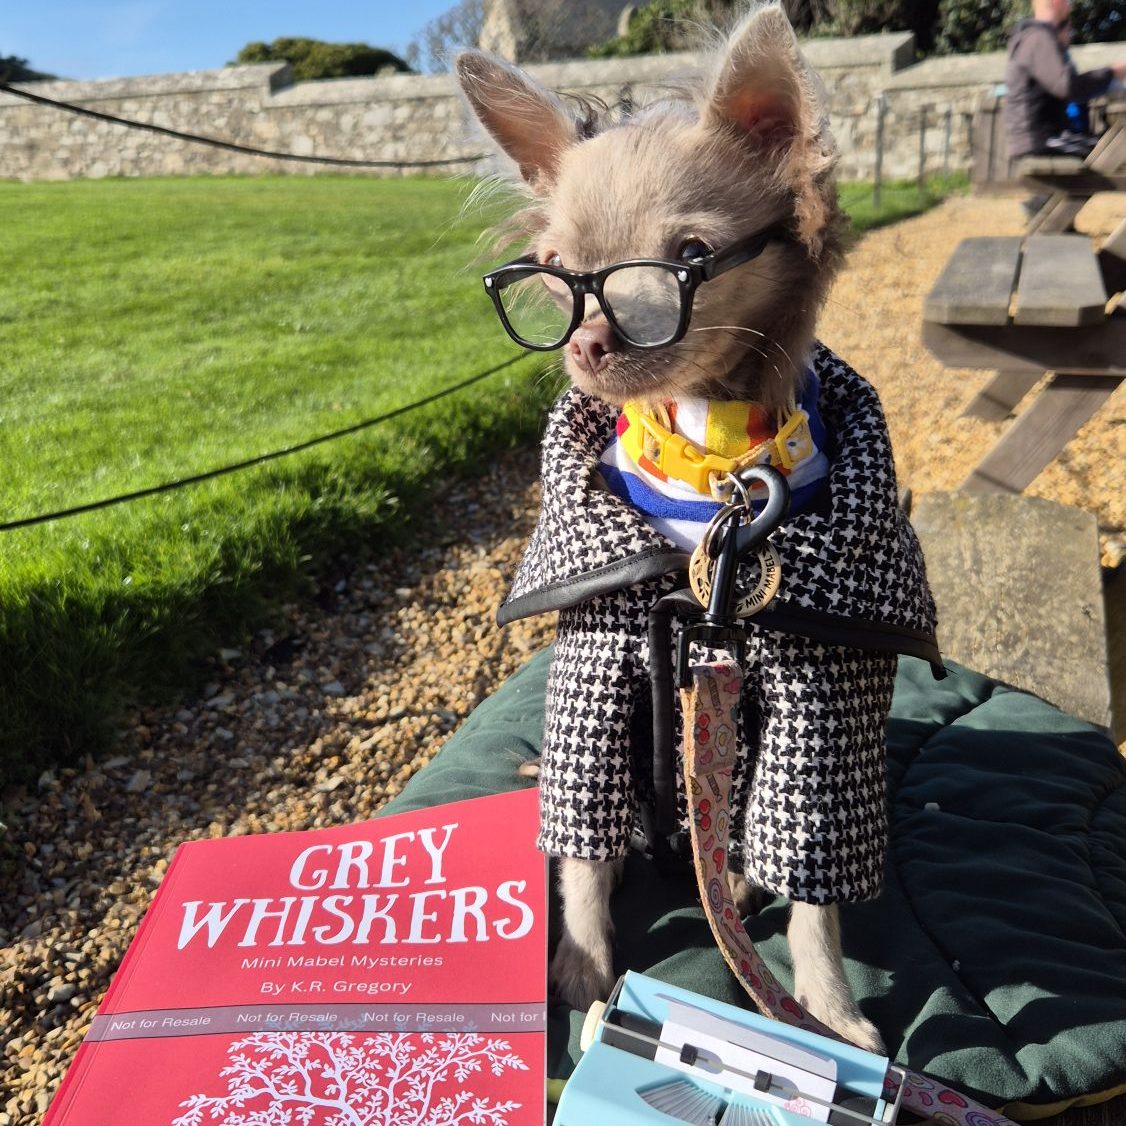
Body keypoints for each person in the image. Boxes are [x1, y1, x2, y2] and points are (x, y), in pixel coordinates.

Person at [1004, 0, 1125, 164]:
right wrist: (1113, 72)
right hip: (1043, 142)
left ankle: (1047, 192)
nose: (1070, 4)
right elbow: (1070, 87)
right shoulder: (1038, 37)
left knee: (1111, 150)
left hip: (1040, 140)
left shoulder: (1034, 37)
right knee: (1113, 151)